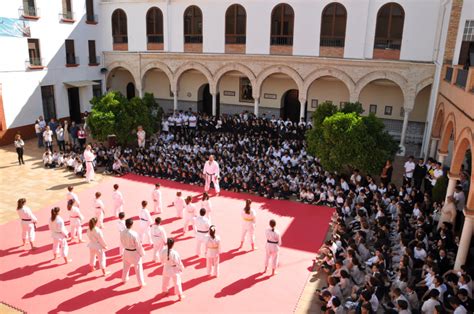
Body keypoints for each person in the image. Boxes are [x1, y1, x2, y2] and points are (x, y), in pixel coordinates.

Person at [120, 218, 146, 287]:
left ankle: (124, 279)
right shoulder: (134, 234)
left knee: (125, 267)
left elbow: (121, 242)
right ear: (132, 225)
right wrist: (141, 253)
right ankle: (141, 283)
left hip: (126, 251)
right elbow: (138, 245)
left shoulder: (122, 232)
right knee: (138, 268)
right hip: (134, 253)